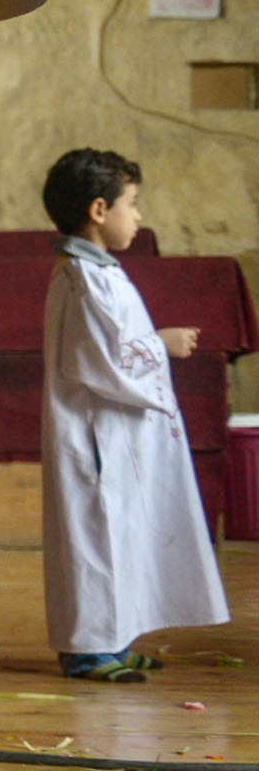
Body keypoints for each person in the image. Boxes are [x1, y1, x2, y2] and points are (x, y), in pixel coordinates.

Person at [39, 148, 225, 683]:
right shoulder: (81, 278)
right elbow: (99, 361)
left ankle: (114, 638)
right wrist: (159, 344)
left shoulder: (97, 272)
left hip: (115, 431)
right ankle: (88, 648)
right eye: (132, 204)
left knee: (118, 533)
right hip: (95, 433)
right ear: (99, 210)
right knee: (96, 538)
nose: (138, 217)